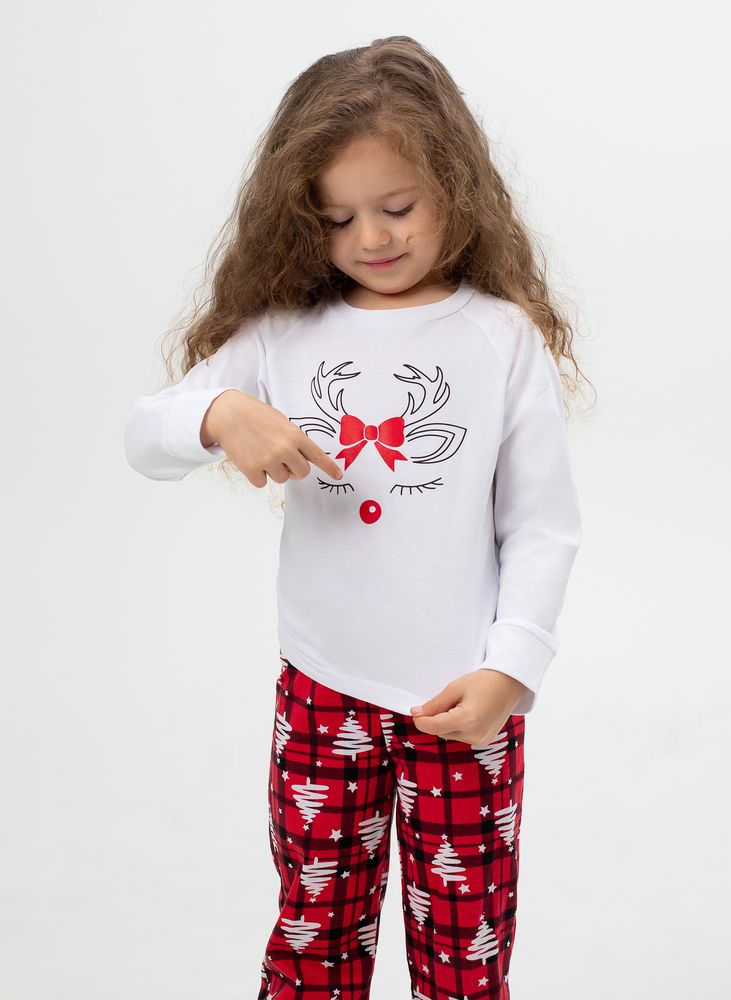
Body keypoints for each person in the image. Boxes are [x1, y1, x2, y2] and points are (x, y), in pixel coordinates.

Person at [123, 35, 587, 1000]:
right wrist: (218, 412)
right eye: (337, 218)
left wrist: (512, 669)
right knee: (314, 934)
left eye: (398, 207)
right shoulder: (281, 333)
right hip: (321, 691)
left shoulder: (501, 338)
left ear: (455, 186)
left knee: (465, 956)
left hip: (464, 701)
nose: (371, 238)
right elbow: (143, 435)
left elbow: (542, 524)